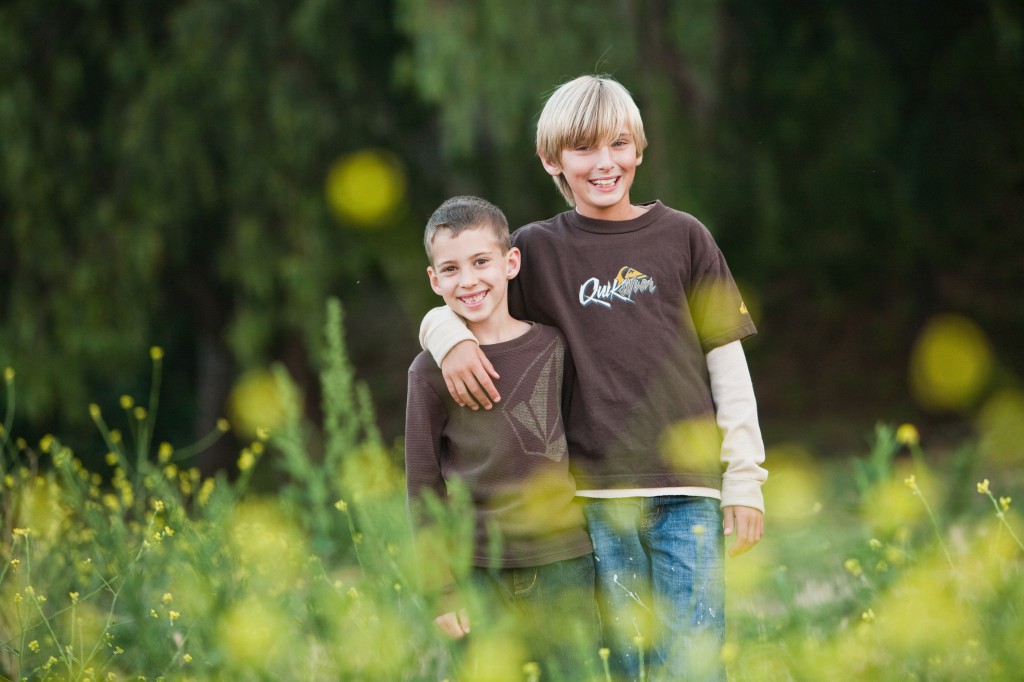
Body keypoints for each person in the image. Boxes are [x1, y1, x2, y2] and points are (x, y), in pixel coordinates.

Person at [419, 75, 768, 681]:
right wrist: (444, 337)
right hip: (595, 501)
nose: (604, 163)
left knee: (693, 662)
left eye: (617, 145)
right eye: (583, 149)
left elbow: (727, 363)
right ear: (551, 160)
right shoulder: (535, 250)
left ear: (640, 147)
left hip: (688, 493)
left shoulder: (686, 238)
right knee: (627, 663)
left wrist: (745, 479)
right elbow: (468, 297)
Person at [405, 195, 600, 681]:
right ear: (434, 280)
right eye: (450, 269)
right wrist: (441, 590)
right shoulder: (428, 373)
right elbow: (423, 488)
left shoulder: (555, 346)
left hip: (564, 563)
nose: (468, 281)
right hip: (478, 571)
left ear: (511, 262)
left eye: (480, 262)